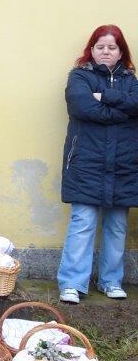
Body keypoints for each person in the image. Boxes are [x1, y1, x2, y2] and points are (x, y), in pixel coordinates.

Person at [58, 24, 137, 304]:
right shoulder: (79, 76)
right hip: (86, 163)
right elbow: (82, 106)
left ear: (120, 52)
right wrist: (123, 111)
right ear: (91, 50)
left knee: (117, 226)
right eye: (100, 47)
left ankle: (110, 281)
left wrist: (105, 97)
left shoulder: (131, 80)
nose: (105, 51)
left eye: (112, 47)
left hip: (124, 165)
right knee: (83, 223)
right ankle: (72, 283)